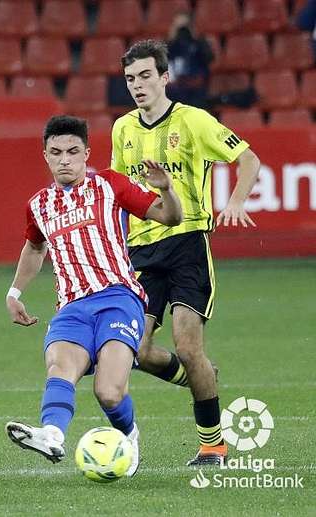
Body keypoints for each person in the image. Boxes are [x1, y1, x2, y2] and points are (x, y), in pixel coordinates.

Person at [4, 115, 182, 477]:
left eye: (72, 151)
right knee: (59, 367)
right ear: (46, 156)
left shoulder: (111, 186)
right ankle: (52, 435)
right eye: (56, 152)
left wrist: (166, 189)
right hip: (71, 307)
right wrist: (14, 292)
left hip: (119, 299)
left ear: (86, 153)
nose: (65, 159)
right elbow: (35, 248)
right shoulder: (38, 205)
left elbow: (171, 218)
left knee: (109, 392)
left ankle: (129, 437)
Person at [111, 40, 261, 466]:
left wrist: (235, 201)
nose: (137, 85)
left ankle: (212, 444)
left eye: (144, 76)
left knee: (189, 345)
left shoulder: (194, 121)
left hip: (188, 243)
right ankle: (201, 378)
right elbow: (119, 193)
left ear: (163, 77)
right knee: (135, 350)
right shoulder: (123, 129)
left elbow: (248, 159)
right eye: (129, 79)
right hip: (141, 249)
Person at [166, 12, 213, 109]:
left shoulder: (199, 45)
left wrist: (195, 38)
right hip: (173, 93)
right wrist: (171, 39)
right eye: (179, 28)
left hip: (195, 93)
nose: (182, 31)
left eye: (185, 27)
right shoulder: (167, 47)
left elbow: (209, 58)